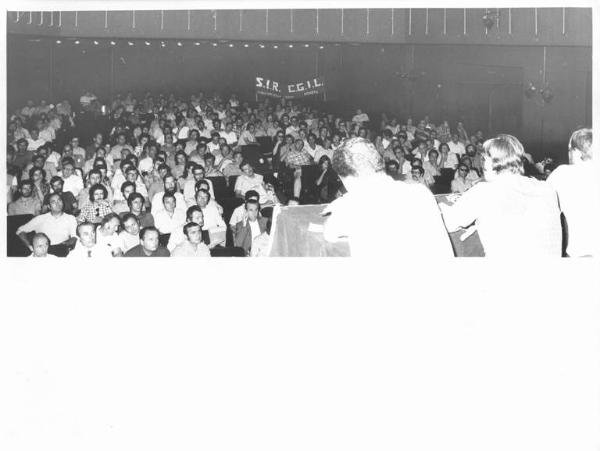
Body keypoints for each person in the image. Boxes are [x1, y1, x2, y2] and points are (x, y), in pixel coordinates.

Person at [323, 137, 453, 257]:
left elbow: (329, 233)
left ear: (349, 180)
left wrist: (345, 204)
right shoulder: (421, 192)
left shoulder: (350, 208)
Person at [439, 134, 562, 257]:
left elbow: (449, 223)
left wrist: (442, 206)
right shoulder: (547, 189)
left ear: (494, 161)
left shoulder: (483, 191)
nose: (482, 162)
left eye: (485, 158)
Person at [546, 128, 598, 257]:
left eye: (569, 149)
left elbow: (543, 209)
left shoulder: (563, 174)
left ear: (576, 152)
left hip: (581, 255)